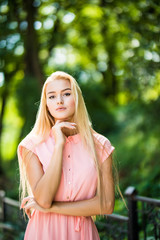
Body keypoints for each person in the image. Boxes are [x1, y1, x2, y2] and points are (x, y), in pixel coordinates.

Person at [17, 71, 115, 240]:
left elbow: (106, 205)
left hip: (83, 234)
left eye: (66, 94)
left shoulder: (100, 145)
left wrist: (53, 209)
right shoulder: (31, 145)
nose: (59, 101)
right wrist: (59, 145)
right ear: (46, 103)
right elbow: (44, 200)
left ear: (77, 99)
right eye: (52, 96)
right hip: (43, 233)